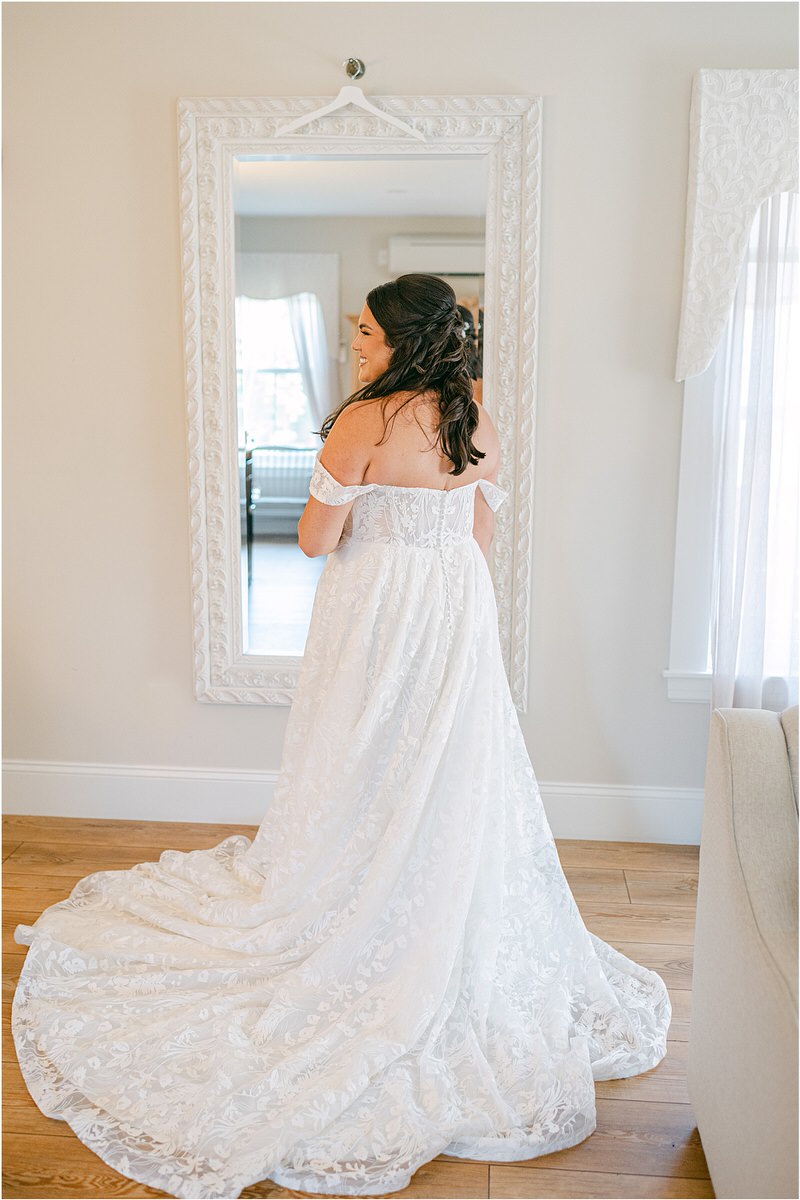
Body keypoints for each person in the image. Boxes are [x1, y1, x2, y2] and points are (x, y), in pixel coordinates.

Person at [11, 274, 671, 1200]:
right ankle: (421, 888)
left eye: (363, 329)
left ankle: (354, 892)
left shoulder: (361, 421)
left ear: (399, 337)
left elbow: (317, 543)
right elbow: (479, 529)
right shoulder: (468, 410)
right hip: (453, 607)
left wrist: (367, 520)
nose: (353, 341)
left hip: (379, 611)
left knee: (364, 757)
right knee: (446, 758)